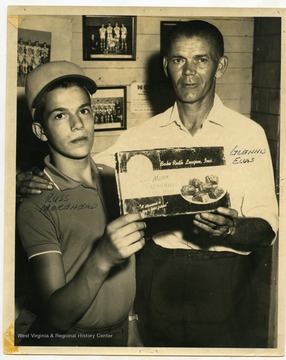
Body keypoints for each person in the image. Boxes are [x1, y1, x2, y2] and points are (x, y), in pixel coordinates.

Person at [17, 20, 278, 348]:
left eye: (201, 59)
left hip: (222, 277)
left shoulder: (248, 134)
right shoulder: (142, 136)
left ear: (220, 66)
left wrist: (230, 229)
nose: (189, 72)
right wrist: (21, 177)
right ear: (167, 66)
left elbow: (267, 230)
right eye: (179, 60)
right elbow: (83, 161)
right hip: (157, 274)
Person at [15, 61, 146, 347]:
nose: (78, 124)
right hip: (74, 342)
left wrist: (131, 321)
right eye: (60, 115)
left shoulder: (116, 179)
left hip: (121, 333)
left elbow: (128, 262)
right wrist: (102, 257)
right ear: (40, 131)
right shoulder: (35, 204)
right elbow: (57, 316)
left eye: (83, 110)